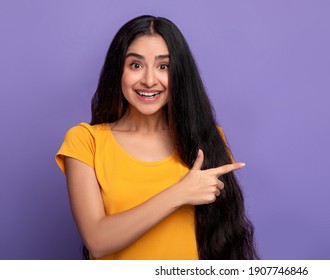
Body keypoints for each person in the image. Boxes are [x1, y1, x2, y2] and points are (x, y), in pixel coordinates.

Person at [55, 15, 257, 260]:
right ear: (118, 71)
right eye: (136, 65)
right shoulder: (85, 141)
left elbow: (221, 239)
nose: (150, 81)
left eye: (164, 67)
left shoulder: (207, 138)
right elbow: (97, 240)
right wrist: (181, 193)